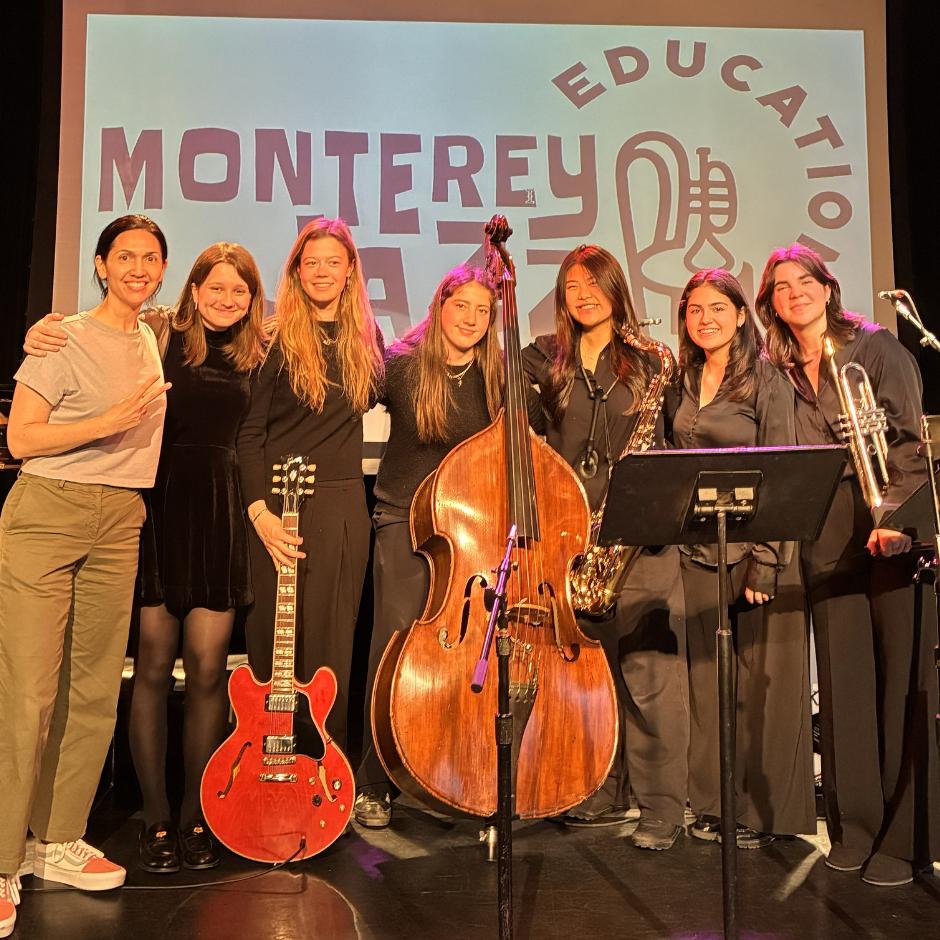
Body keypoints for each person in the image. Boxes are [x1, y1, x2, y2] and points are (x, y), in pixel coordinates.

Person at [23, 244, 269, 875]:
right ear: (191, 288)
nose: (226, 299)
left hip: (220, 512)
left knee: (210, 670)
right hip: (156, 507)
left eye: (239, 291)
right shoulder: (157, 333)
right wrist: (44, 328)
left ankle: (195, 814)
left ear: (251, 298)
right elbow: (95, 332)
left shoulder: (260, 350)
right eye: (215, 287)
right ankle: (156, 816)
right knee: (153, 667)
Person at [0, 215, 170, 937]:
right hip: (49, 506)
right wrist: (105, 421)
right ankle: (2, 862)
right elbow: (20, 437)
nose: (138, 266)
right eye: (124, 256)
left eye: (151, 257)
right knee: (29, 691)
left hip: (120, 516)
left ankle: (54, 838)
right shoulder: (63, 335)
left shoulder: (151, 332)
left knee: (96, 688)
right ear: (99, 265)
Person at [755, 243, 940, 886]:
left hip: (891, 522)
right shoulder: (776, 369)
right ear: (769, 303)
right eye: (779, 287)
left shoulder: (876, 349)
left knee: (901, 682)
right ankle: (856, 827)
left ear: (827, 288)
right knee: (843, 690)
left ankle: (905, 838)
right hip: (827, 536)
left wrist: (893, 521)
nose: (793, 294)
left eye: (802, 281)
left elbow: (914, 446)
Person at [522, 244, 689, 849]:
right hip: (569, 538)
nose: (582, 294)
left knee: (648, 678)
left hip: (638, 536)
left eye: (594, 283)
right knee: (587, 679)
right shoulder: (547, 360)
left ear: (617, 288)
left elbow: (672, 441)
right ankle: (599, 788)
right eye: (571, 285)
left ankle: (663, 808)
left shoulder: (652, 362)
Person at [353, 263, 506, 828]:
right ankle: (375, 781)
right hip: (404, 522)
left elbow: (534, 436)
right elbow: (344, 391)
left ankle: (454, 776)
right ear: (440, 305)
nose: (469, 319)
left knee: (465, 656)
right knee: (394, 647)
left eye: (482, 311)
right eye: (460, 305)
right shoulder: (403, 366)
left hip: (473, 535)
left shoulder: (498, 376)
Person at [666, 268, 815, 849]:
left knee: (757, 686)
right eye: (695, 310)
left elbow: (781, 471)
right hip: (695, 550)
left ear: (739, 315)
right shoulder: (683, 379)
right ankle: (708, 804)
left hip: (752, 550)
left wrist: (767, 559)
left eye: (717, 309)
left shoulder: (767, 380)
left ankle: (759, 812)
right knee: (706, 684)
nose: (706, 319)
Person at [236, 217, 384, 763]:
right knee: (272, 652)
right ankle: (266, 768)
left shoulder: (369, 341)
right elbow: (248, 434)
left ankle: (327, 777)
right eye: (311, 262)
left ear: (350, 273)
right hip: (277, 509)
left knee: (330, 654)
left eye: (333, 263)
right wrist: (259, 513)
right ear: (297, 271)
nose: (322, 272)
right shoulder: (272, 340)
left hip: (344, 510)